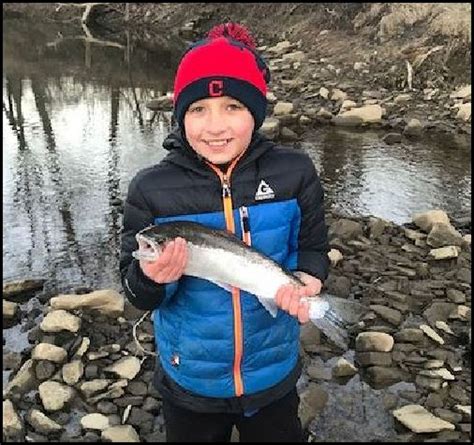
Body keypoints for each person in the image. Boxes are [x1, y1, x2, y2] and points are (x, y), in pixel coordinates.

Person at [120, 22, 330, 442]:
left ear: (257, 110)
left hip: (273, 373)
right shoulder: (150, 190)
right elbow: (134, 288)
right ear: (181, 116)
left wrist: (309, 278)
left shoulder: (296, 172)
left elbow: (312, 246)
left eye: (232, 106)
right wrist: (150, 279)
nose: (215, 126)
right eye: (198, 109)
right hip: (190, 378)